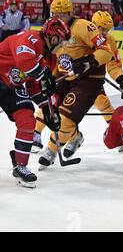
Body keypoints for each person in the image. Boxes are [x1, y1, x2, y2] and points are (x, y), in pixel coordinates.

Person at [31, 10, 123, 154]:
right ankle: (37, 133)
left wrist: (122, 81)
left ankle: (121, 136)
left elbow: (114, 65)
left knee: (104, 106)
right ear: (94, 25)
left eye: (107, 29)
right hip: (70, 78)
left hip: (90, 81)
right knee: (52, 103)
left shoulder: (109, 40)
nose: (104, 32)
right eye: (101, 28)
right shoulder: (82, 32)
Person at [38, 0, 115, 169]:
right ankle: (75, 137)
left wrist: (89, 62)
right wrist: (50, 76)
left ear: (70, 13)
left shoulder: (84, 26)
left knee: (65, 119)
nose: (57, 17)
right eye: (54, 14)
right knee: (50, 110)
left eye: (61, 14)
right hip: (67, 78)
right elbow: (55, 55)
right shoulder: (53, 27)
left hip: (88, 80)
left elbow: (106, 52)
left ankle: (50, 151)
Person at [0, 17, 70, 187]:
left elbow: (33, 85)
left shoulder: (50, 57)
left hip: (10, 86)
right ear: (53, 37)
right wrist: (43, 75)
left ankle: (20, 166)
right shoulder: (30, 39)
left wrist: (47, 111)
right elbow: (25, 62)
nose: (62, 46)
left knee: (27, 120)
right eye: (60, 41)